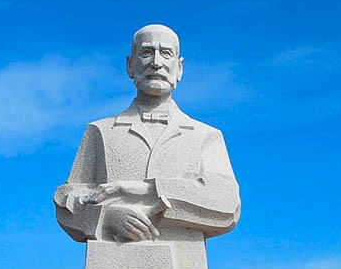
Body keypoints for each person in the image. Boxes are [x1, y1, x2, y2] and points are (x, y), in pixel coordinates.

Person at [54, 24, 241, 245]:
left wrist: (149, 191)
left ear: (179, 68)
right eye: (146, 52)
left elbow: (227, 205)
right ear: (130, 65)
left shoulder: (206, 136)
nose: (156, 62)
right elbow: (66, 201)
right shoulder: (101, 131)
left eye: (166, 53)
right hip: (109, 268)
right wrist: (107, 217)